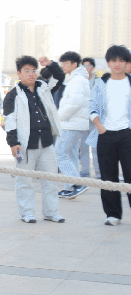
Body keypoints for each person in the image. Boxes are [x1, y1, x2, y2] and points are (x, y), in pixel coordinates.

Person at [2, 56, 65, 224]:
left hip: (46, 142)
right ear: (19, 73)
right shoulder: (13, 95)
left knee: (51, 180)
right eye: (26, 71)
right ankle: (27, 213)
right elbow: (10, 121)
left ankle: (51, 212)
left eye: (33, 70)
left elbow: (60, 77)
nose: (31, 74)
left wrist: (50, 64)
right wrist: (13, 143)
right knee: (24, 181)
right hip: (25, 146)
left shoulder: (44, 88)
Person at [87, 44, 131, 225]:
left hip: (128, 134)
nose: (117, 64)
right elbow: (92, 106)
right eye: (113, 60)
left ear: (126, 63)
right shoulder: (100, 83)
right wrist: (99, 126)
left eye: (121, 60)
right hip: (106, 135)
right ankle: (113, 214)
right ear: (108, 63)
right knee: (107, 176)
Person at [56, 51, 92, 200]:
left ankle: (77, 184)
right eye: (62, 63)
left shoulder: (78, 80)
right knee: (70, 155)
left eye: (66, 63)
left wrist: (58, 117)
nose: (63, 66)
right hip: (72, 123)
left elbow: (74, 104)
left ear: (74, 64)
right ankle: (70, 187)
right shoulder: (75, 79)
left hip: (71, 123)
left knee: (59, 153)